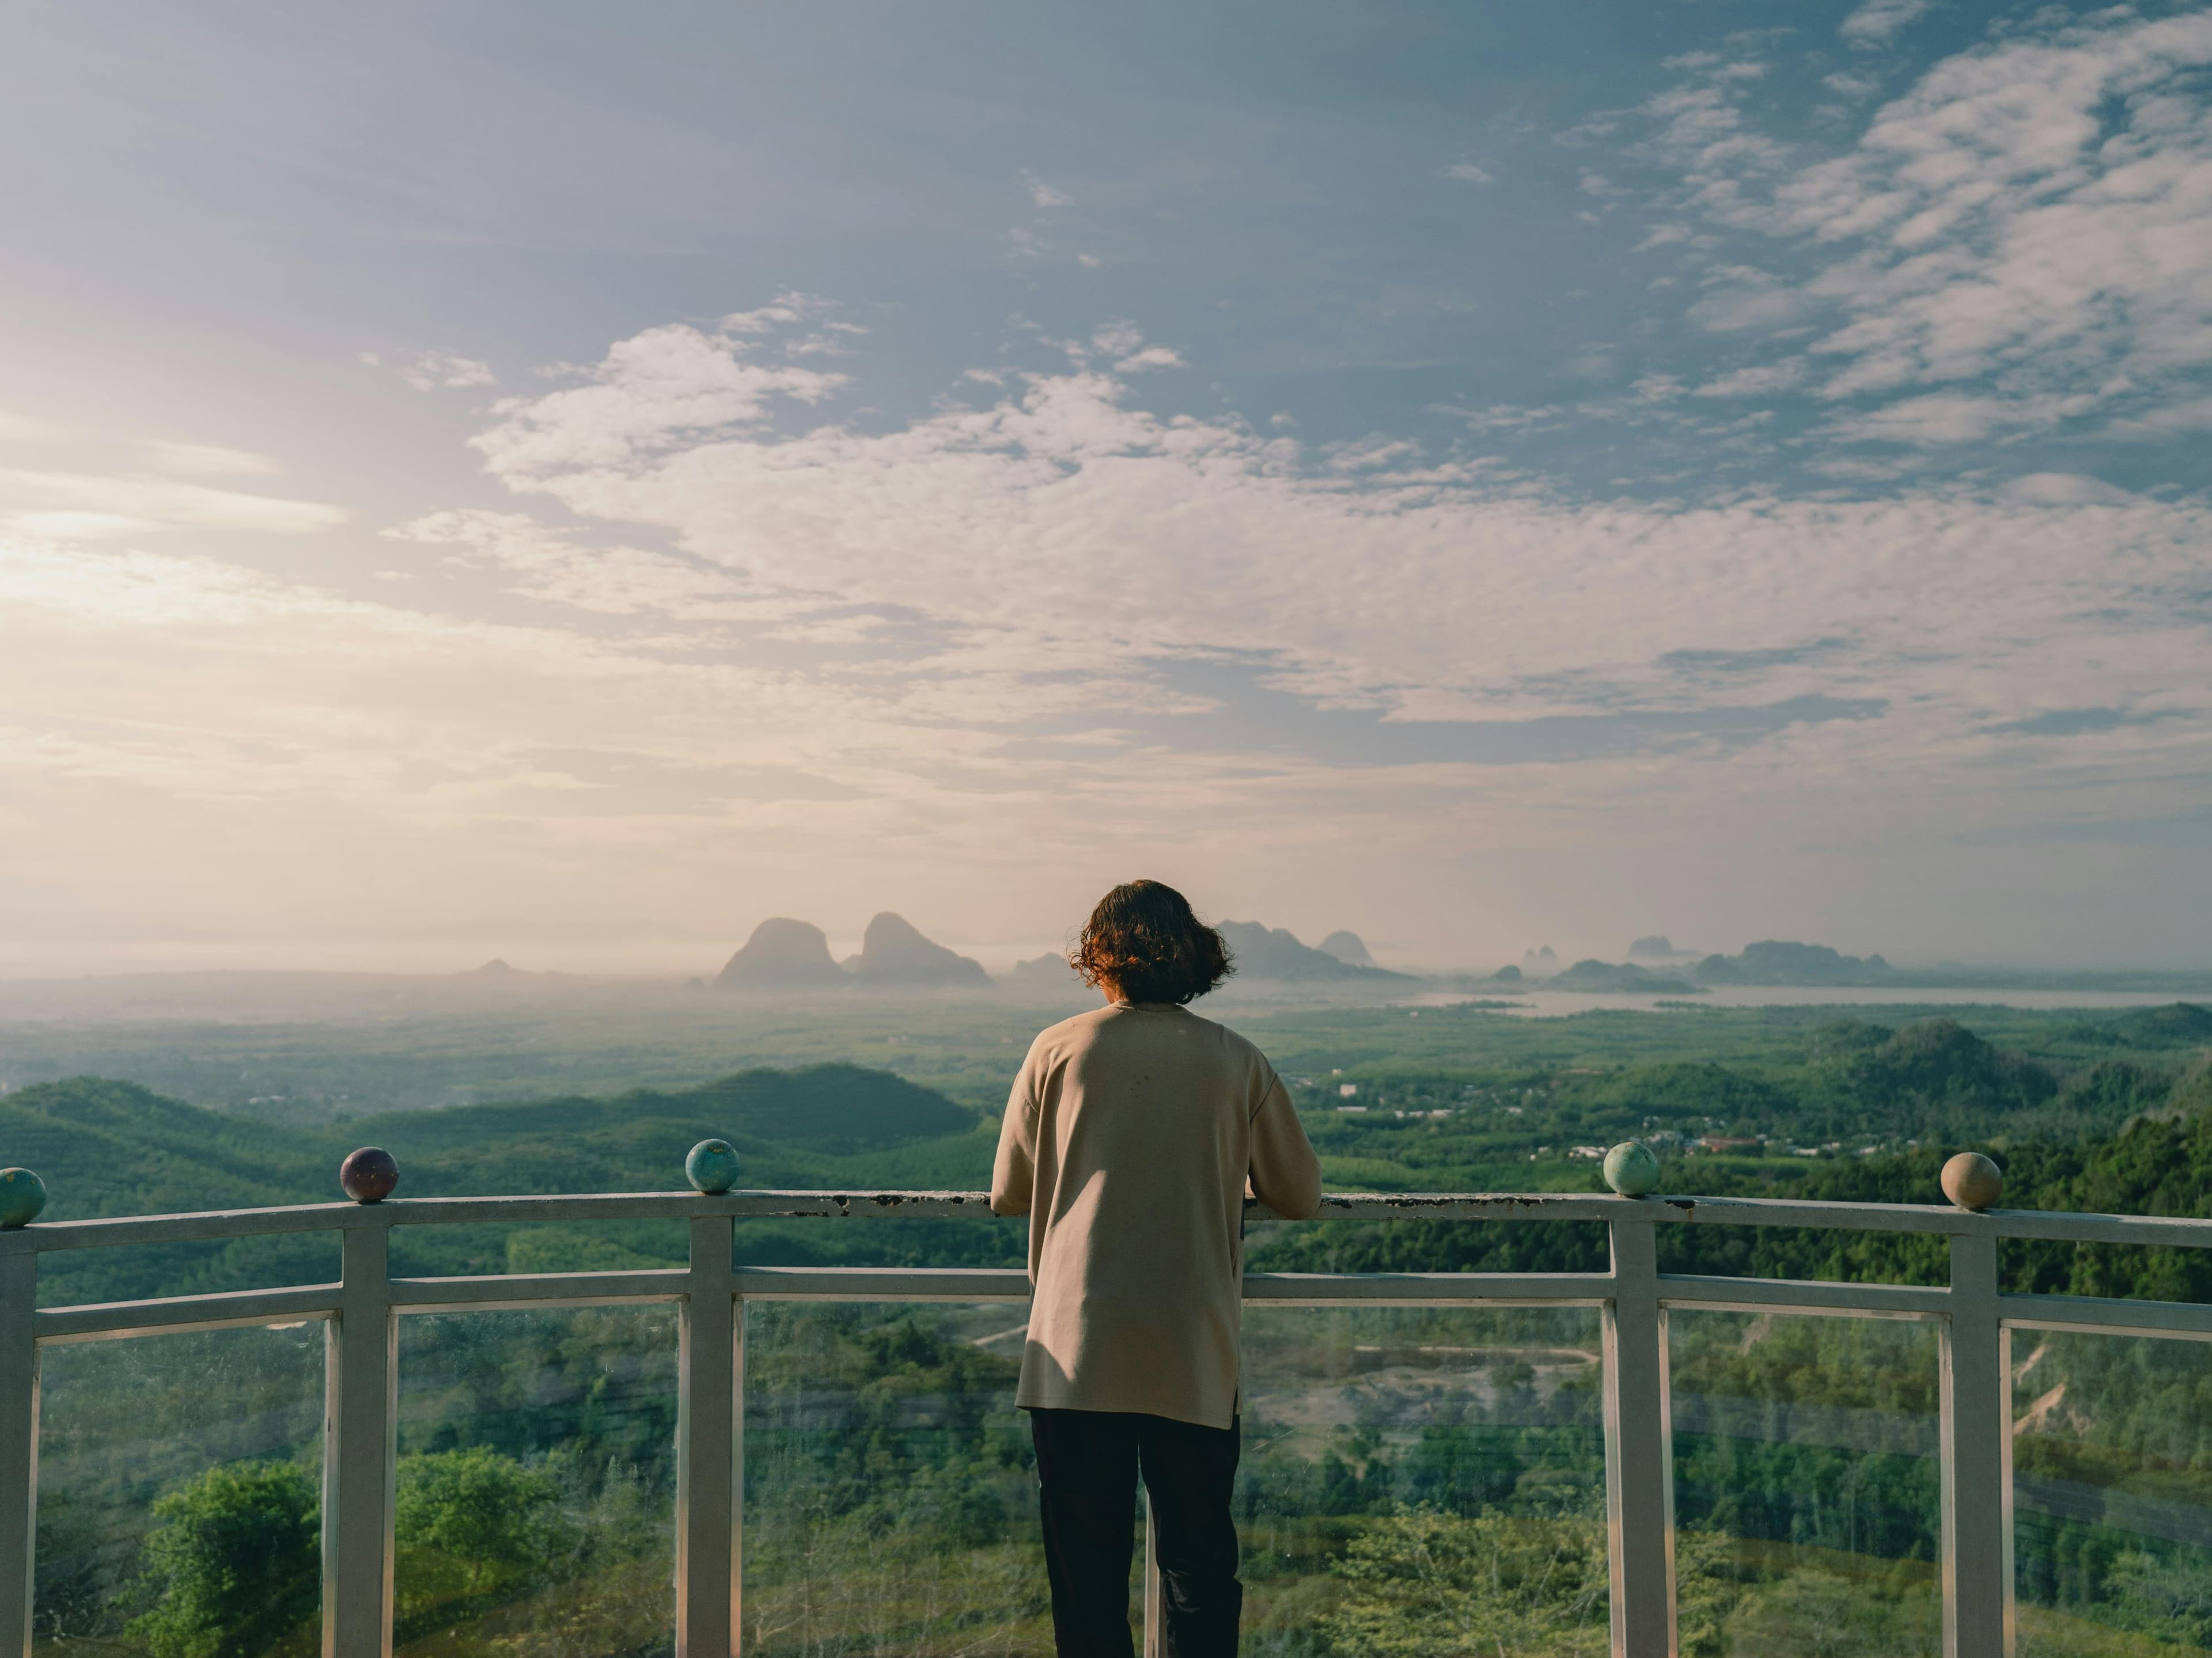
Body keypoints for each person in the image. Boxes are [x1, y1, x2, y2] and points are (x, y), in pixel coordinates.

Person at [991, 879, 1323, 1658]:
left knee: (1087, 1579)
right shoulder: (1237, 1059)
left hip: (1076, 1351)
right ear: (1194, 958)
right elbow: (1299, 1196)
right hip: (1191, 1348)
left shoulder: (1057, 1049)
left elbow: (1009, 1193)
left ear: (1098, 960)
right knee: (1199, 1572)